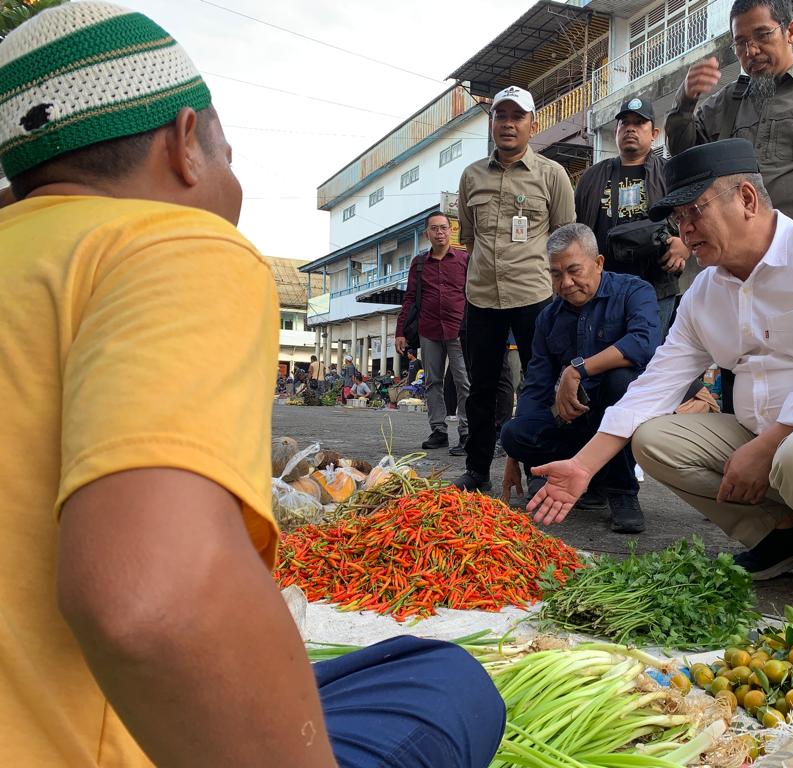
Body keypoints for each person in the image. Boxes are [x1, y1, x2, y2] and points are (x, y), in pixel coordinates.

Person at [0, 3, 505, 766]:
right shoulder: (167, 244)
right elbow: (146, 602)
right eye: (227, 153)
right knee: (455, 689)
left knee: (412, 663)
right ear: (184, 145)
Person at [526, 139, 793, 614]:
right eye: (678, 220)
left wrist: (768, 443)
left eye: (695, 212)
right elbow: (655, 386)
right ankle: (790, 535)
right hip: (771, 441)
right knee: (654, 440)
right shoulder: (704, 294)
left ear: (747, 200)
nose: (685, 231)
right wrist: (583, 466)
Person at [454, 85, 576, 491]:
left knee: (539, 386)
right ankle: (476, 471)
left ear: (532, 124)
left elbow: (564, 237)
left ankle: (540, 473)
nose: (508, 124)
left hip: (534, 297)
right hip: (482, 297)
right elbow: (469, 238)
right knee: (481, 389)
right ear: (492, 124)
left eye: (517, 117)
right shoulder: (471, 176)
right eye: (501, 116)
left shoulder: (552, 175)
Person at [500, 224, 659, 533]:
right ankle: (549, 474)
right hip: (573, 421)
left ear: (598, 263)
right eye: (556, 274)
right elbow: (536, 385)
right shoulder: (549, 317)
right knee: (513, 432)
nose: (566, 283)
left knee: (620, 382)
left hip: (621, 420)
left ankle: (621, 491)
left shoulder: (634, 292)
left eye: (574, 271)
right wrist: (514, 455)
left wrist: (578, 369)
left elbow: (643, 343)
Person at [665, 0, 793, 238]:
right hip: (740, 255)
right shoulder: (727, 102)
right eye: (740, 43)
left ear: (790, 32)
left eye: (762, 35)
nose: (751, 51)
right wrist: (686, 99)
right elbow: (683, 155)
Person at [574, 96, 689, 339]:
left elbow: (693, 216)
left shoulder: (670, 173)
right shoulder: (591, 177)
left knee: (650, 359)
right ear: (616, 130)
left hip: (656, 286)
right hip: (604, 287)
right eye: (624, 123)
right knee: (602, 357)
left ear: (654, 132)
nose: (631, 129)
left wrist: (685, 244)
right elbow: (577, 229)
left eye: (639, 123)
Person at [395, 211, 471, 452]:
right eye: (434, 229)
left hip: (458, 328)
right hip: (428, 329)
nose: (440, 233)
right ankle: (438, 430)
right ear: (427, 234)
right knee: (432, 382)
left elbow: (475, 294)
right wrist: (400, 331)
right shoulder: (418, 264)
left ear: (451, 231)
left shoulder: (464, 260)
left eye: (444, 228)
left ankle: (467, 432)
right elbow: (409, 298)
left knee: (463, 382)